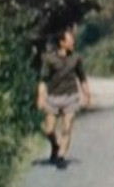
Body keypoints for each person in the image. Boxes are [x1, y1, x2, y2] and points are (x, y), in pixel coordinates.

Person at [36, 27, 90, 169]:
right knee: (49, 130)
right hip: (53, 97)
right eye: (70, 40)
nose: (73, 42)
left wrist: (86, 95)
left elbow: (82, 78)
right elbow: (43, 80)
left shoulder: (76, 58)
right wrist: (41, 97)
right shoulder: (49, 58)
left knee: (67, 127)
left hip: (71, 97)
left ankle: (61, 156)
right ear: (62, 42)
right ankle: (56, 145)